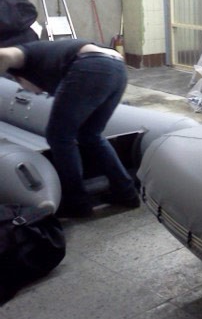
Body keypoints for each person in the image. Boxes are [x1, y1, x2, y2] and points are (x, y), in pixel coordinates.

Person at [0, 39, 140, 218]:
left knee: (59, 137)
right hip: (117, 66)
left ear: (21, 77)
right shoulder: (47, 62)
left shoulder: (24, 56)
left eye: (22, 86)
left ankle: (77, 203)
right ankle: (126, 192)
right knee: (90, 135)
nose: (34, 93)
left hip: (91, 65)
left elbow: (4, 54)